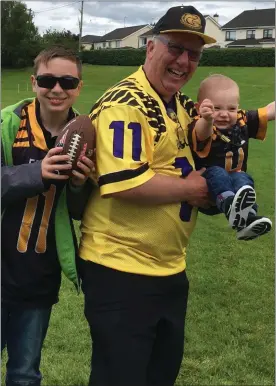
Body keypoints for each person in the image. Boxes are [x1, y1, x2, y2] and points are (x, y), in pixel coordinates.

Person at [78, 6, 216, 386]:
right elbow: (128, 183)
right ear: (150, 48)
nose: (184, 61)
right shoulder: (127, 101)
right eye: (175, 48)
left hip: (168, 268)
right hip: (120, 269)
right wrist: (196, 189)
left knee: (159, 375)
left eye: (194, 54)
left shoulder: (180, 106)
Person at [1, 46, 94, 386]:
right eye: (48, 80)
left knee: (25, 372)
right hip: (1, 265)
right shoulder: (8, 122)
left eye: (67, 81)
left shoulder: (86, 135)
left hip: (39, 273)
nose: (57, 89)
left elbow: (81, 212)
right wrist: (35, 173)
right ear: (33, 82)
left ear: (79, 86)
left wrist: (81, 185)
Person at [188, 74, 273, 240]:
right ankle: (229, 204)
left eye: (231, 109)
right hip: (207, 190)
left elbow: (269, 111)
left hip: (234, 183)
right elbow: (201, 133)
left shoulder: (241, 121)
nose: (225, 114)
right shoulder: (201, 122)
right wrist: (207, 119)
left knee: (243, 178)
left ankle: (247, 220)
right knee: (218, 172)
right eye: (217, 108)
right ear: (200, 108)